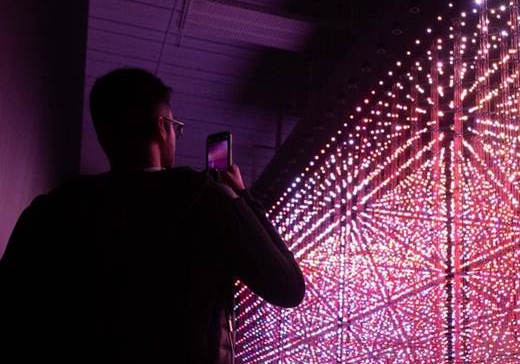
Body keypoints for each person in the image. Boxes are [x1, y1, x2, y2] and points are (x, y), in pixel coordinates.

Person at [0, 67, 305, 364]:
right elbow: (289, 287)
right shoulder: (207, 201)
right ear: (161, 127)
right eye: (175, 127)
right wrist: (243, 198)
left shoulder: (50, 212)